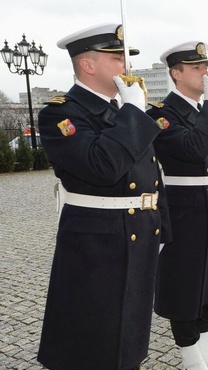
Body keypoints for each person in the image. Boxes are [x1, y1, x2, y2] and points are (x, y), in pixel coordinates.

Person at [36, 23, 170, 370]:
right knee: (94, 336)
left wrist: (161, 226)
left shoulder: (125, 109)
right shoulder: (61, 113)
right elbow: (103, 166)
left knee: (130, 334)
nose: (126, 67)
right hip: (97, 241)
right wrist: (132, 113)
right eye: (116, 58)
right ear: (88, 65)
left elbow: (151, 176)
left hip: (139, 229)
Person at [146, 41, 208, 370]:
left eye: (205, 67)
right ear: (176, 73)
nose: (205, 73)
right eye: (197, 68)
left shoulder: (204, 111)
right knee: (184, 284)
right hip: (183, 211)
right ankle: (190, 358)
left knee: (206, 283)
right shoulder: (161, 114)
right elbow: (193, 149)